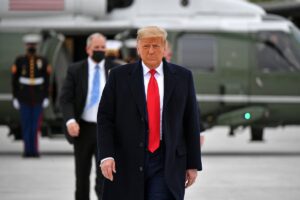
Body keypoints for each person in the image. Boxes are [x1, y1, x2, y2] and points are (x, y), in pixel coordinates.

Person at [98, 26, 202, 200]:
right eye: (146, 46)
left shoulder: (183, 77)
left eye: (156, 46)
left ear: (165, 48)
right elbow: (105, 118)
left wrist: (193, 164)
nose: (151, 51)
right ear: (138, 48)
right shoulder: (119, 77)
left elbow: (191, 121)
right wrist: (106, 155)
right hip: (127, 157)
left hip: (166, 158)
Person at [59, 33, 120, 200]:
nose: (100, 51)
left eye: (102, 48)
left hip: (106, 130)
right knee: (82, 176)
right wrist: (70, 120)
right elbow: (65, 98)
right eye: (96, 48)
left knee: (105, 176)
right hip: (83, 129)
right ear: (88, 49)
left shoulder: (115, 69)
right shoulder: (75, 70)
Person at [11, 33, 51, 158]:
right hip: (24, 97)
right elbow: (14, 81)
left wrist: (45, 96)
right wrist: (15, 97)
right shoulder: (19, 60)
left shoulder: (43, 61)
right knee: (26, 125)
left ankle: (34, 150)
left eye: (33, 45)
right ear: (26, 46)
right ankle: (27, 150)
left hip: (38, 97)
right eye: (30, 45)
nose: (31, 47)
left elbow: (47, 80)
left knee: (35, 126)